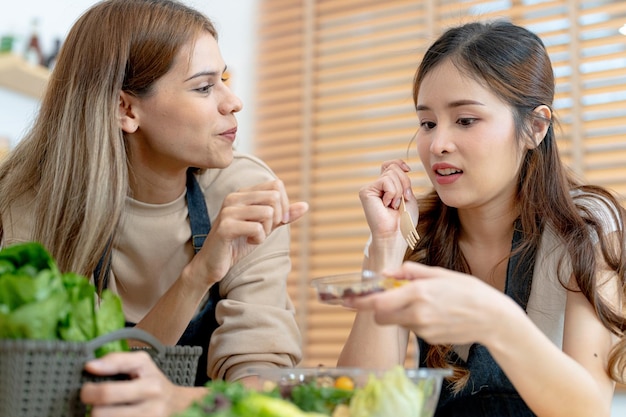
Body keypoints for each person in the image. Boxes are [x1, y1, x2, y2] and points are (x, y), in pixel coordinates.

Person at [0, 0, 308, 415]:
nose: (233, 102)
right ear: (126, 109)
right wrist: (199, 276)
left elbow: (261, 385)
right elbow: (65, 383)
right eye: (204, 87)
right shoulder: (30, 201)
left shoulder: (244, 191)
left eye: (225, 79)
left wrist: (175, 401)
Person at [338, 21, 626, 417]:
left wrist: (497, 319)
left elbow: (588, 410)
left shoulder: (586, 229)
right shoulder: (414, 234)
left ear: (535, 127)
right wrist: (386, 251)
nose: (438, 144)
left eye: (466, 120)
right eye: (427, 123)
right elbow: (358, 405)